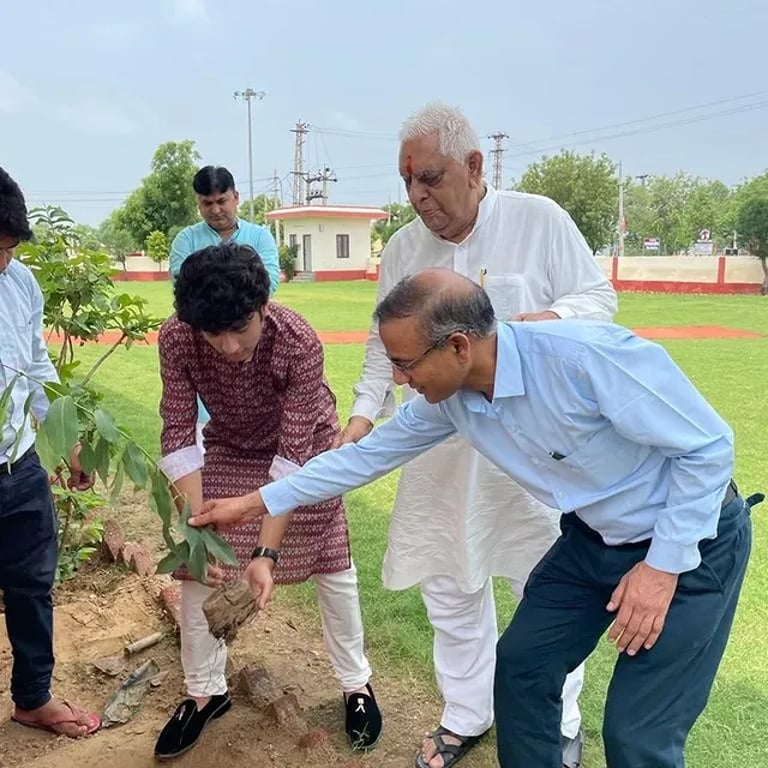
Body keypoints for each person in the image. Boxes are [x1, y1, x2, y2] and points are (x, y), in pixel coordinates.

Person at [190, 268, 758, 768]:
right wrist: (252, 502)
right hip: (593, 537)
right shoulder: (454, 400)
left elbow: (708, 449)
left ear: (459, 346)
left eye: (405, 364)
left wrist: (662, 567)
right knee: (521, 667)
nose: (400, 380)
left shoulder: (584, 360)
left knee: (637, 731)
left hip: (691, 542)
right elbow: (363, 457)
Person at [335, 102, 617, 768]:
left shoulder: (538, 219)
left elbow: (598, 301)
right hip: (438, 444)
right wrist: (362, 417)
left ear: (474, 165)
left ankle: (558, 721)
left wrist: (538, 325)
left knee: (545, 588)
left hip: (529, 448)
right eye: (408, 181)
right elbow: (381, 347)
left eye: (430, 178)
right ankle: (466, 714)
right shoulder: (403, 249)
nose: (417, 195)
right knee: (448, 585)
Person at [153, 242, 382, 760]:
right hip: (231, 444)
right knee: (198, 564)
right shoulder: (177, 337)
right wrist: (198, 532)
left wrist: (265, 554)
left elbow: (292, 460)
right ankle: (204, 692)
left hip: (305, 446)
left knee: (332, 562)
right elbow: (178, 432)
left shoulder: (297, 340)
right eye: (214, 334)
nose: (229, 346)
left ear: (262, 307)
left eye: (241, 328)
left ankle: (356, 683)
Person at [0, 166, 101, 738]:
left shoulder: (21, 284)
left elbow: (38, 369)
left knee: (32, 585)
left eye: (10, 248)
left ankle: (33, 697)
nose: (3, 261)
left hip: (18, 465)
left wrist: (69, 442)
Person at [169, 165, 281, 448]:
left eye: (222, 201)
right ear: (198, 203)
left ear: (236, 197)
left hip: (253, 346)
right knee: (201, 442)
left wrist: (230, 309)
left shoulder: (260, 236)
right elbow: (185, 289)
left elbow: (267, 283)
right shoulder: (186, 240)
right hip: (205, 345)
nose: (216, 210)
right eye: (207, 203)